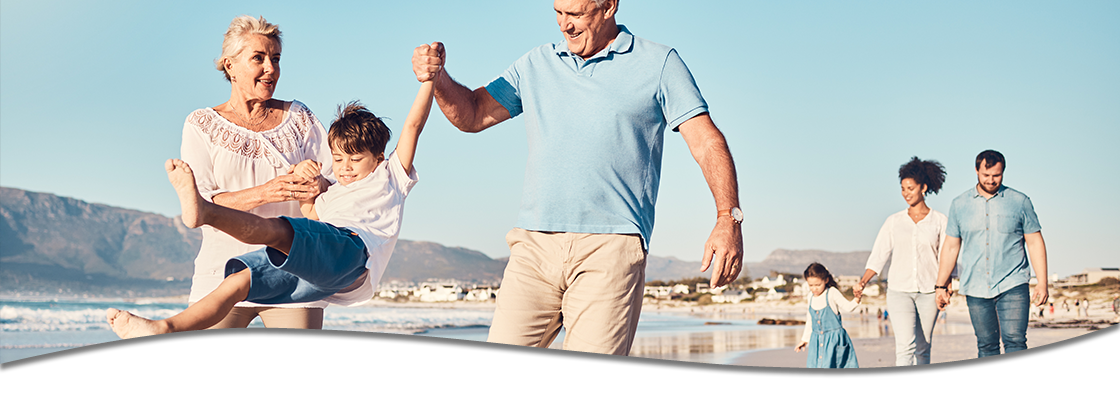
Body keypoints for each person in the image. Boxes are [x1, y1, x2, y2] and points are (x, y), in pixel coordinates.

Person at [410, 0, 742, 369]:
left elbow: (706, 141)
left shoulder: (660, 63)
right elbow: (472, 113)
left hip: (610, 248)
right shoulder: (536, 64)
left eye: (576, 14)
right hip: (533, 248)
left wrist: (728, 217)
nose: (564, 25)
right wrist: (438, 78)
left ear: (609, 7)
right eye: (558, 12)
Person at [107, 82, 435, 355]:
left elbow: (413, 126)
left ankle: (207, 211)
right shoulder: (334, 191)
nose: (345, 167)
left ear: (378, 157)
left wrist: (429, 80)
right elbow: (312, 214)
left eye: (355, 159)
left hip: (352, 252)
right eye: (337, 158)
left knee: (280, 230)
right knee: (238, 281)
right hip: (319, 267)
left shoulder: (391, 175)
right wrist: (309, 185)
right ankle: (165, 330)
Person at [178, 15, 334, 369]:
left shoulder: (301, 119)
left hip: (293, 272)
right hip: (223, 274)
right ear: (230, 65)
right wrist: (268, 191)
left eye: (276, 58)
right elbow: (202, 205)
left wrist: (317, 185)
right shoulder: (200, 125)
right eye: (259, 58)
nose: (270, 68)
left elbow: (334, 182)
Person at [935, 150, 1048, 369]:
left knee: (1015, 343)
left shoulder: (1020, 202)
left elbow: (1034, 242)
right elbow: (950, 247)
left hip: (1013, 283)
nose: (991, 180)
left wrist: (1042, 282)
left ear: (1003, 172)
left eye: (996, 175)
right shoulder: (959, 204)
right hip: (976, 286)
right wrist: (941, 285)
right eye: (986, 175)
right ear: (976, 170)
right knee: (986, 346)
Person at [854, 157, 948, 366]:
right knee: (905, 346)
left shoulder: (940, 221)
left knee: (923, 348)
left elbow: (947, 257)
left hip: (929, 292)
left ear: (923, 187)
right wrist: (863, 281)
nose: (906, 193)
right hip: (899, 291)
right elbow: (879, 255)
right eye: (903, 188)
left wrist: (946, 286)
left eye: (910, 188)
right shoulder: (894, 221)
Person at [795, 263, 860, 368]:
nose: (814, 288)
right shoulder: (810, 297)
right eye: (811, 285)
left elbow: (848, 307)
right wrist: (805, 339)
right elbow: (810, 319)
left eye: (818, 285)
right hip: (815, 340)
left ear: (826, 280)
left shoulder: (832, 293)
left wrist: (857, 299)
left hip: (834, 341)